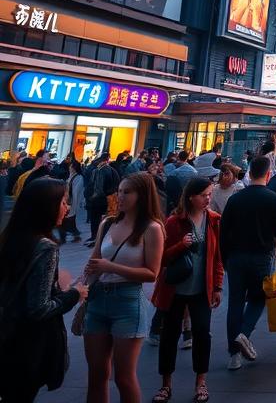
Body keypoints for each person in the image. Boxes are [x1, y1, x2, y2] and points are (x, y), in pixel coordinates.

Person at [0, 178, 88, 402]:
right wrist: (74, 293)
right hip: (25, 342)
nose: (67, 208)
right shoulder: (45, 247)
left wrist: (55, 287)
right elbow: (38, 308)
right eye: (63, 202)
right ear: (47, 207)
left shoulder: (11, 237)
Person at [83, 172, 165, 403]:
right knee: (97, 374)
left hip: (128, 301)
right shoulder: (107, 223)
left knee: (123, 377)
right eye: (119, 191)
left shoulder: (152, 228)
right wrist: (78, 287)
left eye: (127, 192)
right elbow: (94, 261)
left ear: (142, 195)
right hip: (98, 299)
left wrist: (112, 266)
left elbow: (152, 273)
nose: (120, 196)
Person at [151, 177, 222, 403]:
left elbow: (217, 258)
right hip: (175, 289)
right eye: (204, 195)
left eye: (210, 194)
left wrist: (218, 286)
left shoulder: (214, 220)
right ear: (191, 196)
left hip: (202, 288)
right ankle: (166, 384)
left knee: (202, 333)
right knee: (169, 335)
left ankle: (201, 382)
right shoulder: (173, 222)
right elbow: (161, 258)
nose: (208, 199)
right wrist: (181, 245)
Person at [218, 155, 276, 371]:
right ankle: (243, 334)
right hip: (261, 257)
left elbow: (223, 232)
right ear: (268, 174)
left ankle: (234, 355)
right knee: (258, 299)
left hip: (236, 257)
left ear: (249, 173)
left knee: (235, 303)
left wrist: (224, 258)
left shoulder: (235, 199)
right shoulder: (273, 198)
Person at [61, 158, 86, 244]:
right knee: (66, 221)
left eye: (71, 166)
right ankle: (66, 237)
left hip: (71, 202)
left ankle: (74, 235)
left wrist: (72, 204)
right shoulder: (71, 176)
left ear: (74, 168)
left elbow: (76, 192)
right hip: (68, 201)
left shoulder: (78, 177)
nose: (69, 168)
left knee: (68, 221)